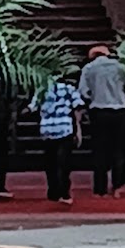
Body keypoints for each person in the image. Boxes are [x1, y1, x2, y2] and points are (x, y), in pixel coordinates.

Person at [77, 44, 125, 197]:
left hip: (99, 112)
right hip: (120, 112)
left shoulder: (89, 69)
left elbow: (83, 92)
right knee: (118, 150)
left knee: (99, 150)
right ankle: (117, 186)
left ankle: (100, 189)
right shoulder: (120, 68)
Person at [30, 73, 84, 204]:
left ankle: (53, 191)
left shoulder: (42, 90)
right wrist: (78, 129)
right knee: (64, 162)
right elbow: (78, 108)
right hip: (65, 128)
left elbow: (32, 107)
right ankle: (64, 192)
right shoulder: (69, 89)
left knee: (50, 162)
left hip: (47, 129)